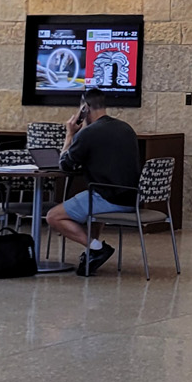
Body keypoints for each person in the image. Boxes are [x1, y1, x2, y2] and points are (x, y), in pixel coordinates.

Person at [46, 91, 140, 275]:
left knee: (53, 216)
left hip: (108, 198)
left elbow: (64, 165)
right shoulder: (126, 128)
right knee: (93, 204)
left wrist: (70, 134)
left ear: (84, 109)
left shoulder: (88, 133)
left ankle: (97, 248)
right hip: (131, 199)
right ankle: (92, 253)